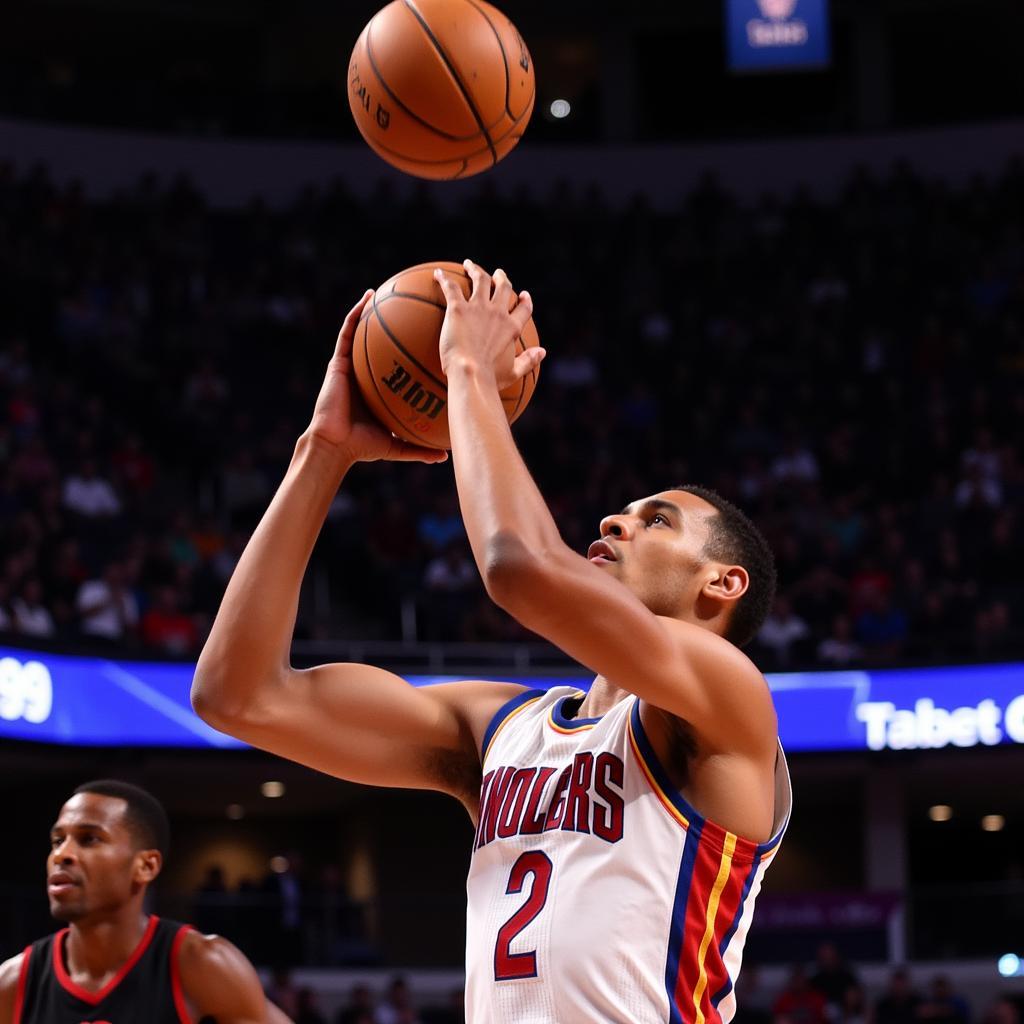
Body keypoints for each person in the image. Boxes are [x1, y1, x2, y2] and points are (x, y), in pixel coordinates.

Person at [192, 263, 791, 1024]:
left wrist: (468, 366)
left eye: (657, 520)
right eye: (623, 512)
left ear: (723, 584)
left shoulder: (727, 698)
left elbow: (519, 569)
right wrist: (324, 451)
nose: (614, 522)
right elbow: (238, 697)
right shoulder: (500, 728)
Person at [0, 779, 291, 1024]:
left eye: (89, 839)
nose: (62, 854)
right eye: (57, 840)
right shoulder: (14, 982)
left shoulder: (201, 965)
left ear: (146, 866)